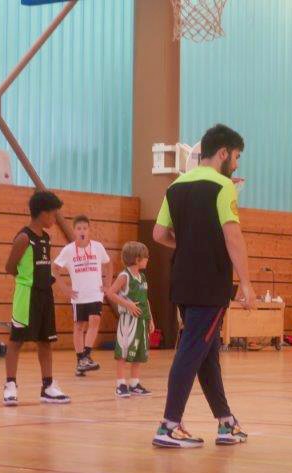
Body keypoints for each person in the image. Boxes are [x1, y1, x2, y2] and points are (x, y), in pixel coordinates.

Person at [151, 123, 254, 448]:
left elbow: (159, 234)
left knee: (206, 353)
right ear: (223, 153)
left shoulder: (176, 186)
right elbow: (233, 237)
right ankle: (169, 425)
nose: (236, 164)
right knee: (191, 351)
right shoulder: (223, 186)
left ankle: (226, 422)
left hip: (182, 280)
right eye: (236, 156)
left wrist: (189, 244)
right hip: (210, 285)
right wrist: (246, 283)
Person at [2, 191, 71, 406]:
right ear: (42, 213)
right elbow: (10, 267)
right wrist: (27, 281)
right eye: (53, 214)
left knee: (45, 341)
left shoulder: (46, 238)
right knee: (16, 340)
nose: (55, 218)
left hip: (45, 295)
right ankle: (10, 385)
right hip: (27, 295)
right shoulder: (24, 238)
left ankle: (47, 386)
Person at [52, 215, 111, 377]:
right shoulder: (68, 250)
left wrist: (107, 285)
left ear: (89, 230)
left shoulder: (98, 247)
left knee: (95, 320)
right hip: (79, 295)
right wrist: (65, 288)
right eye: (79, 228)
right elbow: (54, 268)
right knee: (79, 326)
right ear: (74, 231)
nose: (82, 231)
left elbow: (108, 264)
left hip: (96, 293)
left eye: (85, 228)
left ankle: (86, 356)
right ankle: (80, 361)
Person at [106, 241, 153, 398]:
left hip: (142, 320)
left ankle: (134, 383)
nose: (148, 259)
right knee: (123, 352)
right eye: (146, 257)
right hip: (128, 321)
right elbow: (110, 293)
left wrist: (151, 319)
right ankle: (120, 384)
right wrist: (128, 304)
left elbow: (146, 300)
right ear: (137, 259)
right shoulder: (124, 276)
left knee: (138, 352)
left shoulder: (142, 277)